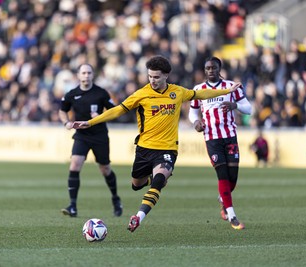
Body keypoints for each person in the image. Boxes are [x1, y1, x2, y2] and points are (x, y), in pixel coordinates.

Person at [72, 55, 240, 232]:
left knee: (159, 180)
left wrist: (226, 91)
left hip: (167, 149)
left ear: (166, 75)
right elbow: (118, 110)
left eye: (156, 77)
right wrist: (91, 122)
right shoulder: (142, 94)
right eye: (150, 76)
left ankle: (138, 217)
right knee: (136, 184)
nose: (152, 80)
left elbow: (200, 94)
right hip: (144, 149)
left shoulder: (177, 92)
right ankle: (154, 177)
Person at [188, 56, 252, 230]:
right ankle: (232, 216)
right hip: (212, 137)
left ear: (219, 68)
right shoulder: (198, 90)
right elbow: (193, 113)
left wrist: (234, 106)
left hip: (230, 135)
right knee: (222, 174)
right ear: (204, 70)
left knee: (233, 178)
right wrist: (196, 123)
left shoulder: (231, 87)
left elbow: (249, 108)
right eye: (208, 68)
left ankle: (223, 198)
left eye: (214, 68)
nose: (211, 71)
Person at [59, 63, 123, 218]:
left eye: (89, 73)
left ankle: (116, 199)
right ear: (78, 75)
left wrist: (101, 117)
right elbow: (62, 110)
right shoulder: (72, 94)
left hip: (99, 135)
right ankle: (72, 206)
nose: (86, 76)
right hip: (82, 135)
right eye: (83, 73)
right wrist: (66, 122)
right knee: (74, 164)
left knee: (105, 169)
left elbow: (115, 111)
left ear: (92, 75)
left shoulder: (101, 93)